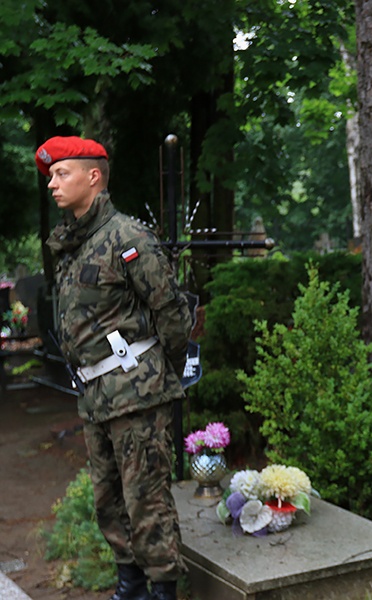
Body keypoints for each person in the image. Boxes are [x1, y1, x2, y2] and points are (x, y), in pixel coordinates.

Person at [37, 136, 193, 600]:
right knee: (108, 502)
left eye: (61, 173)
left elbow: (171, 312)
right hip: (95, 395)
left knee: (147, 500)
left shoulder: (128, 238)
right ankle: (131, 587)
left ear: (93, 176)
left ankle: (163, 591)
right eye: (50, 176)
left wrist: (162, 372)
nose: (52, 184)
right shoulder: (73, 244)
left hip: (137, 392)